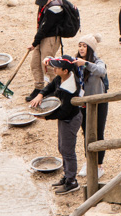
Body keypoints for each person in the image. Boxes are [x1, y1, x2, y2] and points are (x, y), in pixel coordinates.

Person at [31, 57, 83, 196]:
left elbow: (64, 111)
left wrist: (46, 116)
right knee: (62, 147)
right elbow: (52, 85)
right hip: (65, 117)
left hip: (70, 119)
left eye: (57, 68)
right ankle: (67, 176)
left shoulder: (69, 87)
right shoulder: (62, 77)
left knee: (68, 150)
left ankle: (72, 181)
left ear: (65, 71)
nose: (54, 69)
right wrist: (41, 94)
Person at [25, 0, 76, 98]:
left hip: (51, 38)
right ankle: (39, 87)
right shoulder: (45, 2)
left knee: (47, 65)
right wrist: (36, 42)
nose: (41, 3)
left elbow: (45, 28)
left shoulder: (55, 9)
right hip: (42, 36)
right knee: (35, 63)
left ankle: (55, 88)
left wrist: (34, 44)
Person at [73, 35, 109, 164]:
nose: (81, 49)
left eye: (85, 46)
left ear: (90, 48)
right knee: (86, 133)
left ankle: (99, 165)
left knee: (98, 133)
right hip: (83, 104)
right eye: (80, 46)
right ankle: (89, 161)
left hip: (99, 103)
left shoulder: (97, 61)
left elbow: (101, 71)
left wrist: (86, 64)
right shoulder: (75, 61)